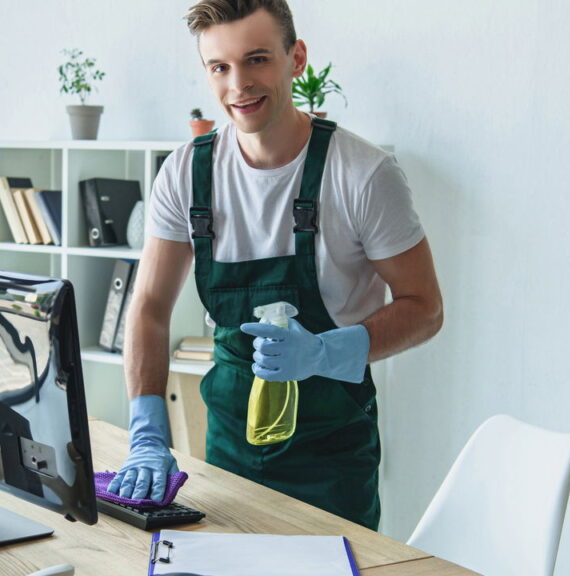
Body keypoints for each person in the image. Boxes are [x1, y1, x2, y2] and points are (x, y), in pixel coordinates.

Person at [105, 0, 443, 530]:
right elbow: (148, 307)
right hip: (227, 448)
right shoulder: (185, 174)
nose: (238, 84)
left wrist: (326, 352)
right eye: (219, 67)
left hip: (332, 455)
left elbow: (425, 309)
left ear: (296, 58)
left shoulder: (363, 174)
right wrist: (147, 433)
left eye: (257, 59)